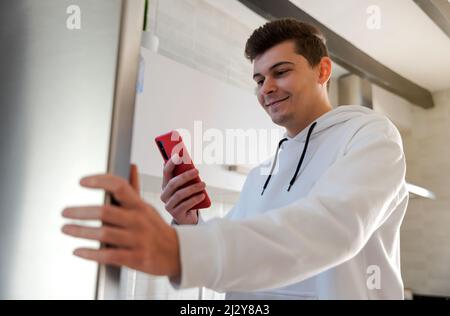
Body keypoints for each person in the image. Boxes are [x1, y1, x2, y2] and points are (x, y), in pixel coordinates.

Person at [62, 18, 408, 299]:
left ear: (322, 71)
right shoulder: (262, 173)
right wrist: (188, 224)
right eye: (259, 79)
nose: (266, 88)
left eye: (281, 72)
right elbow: (235, 277)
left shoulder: (369, 135)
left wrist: (176, 249)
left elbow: (335, 228)